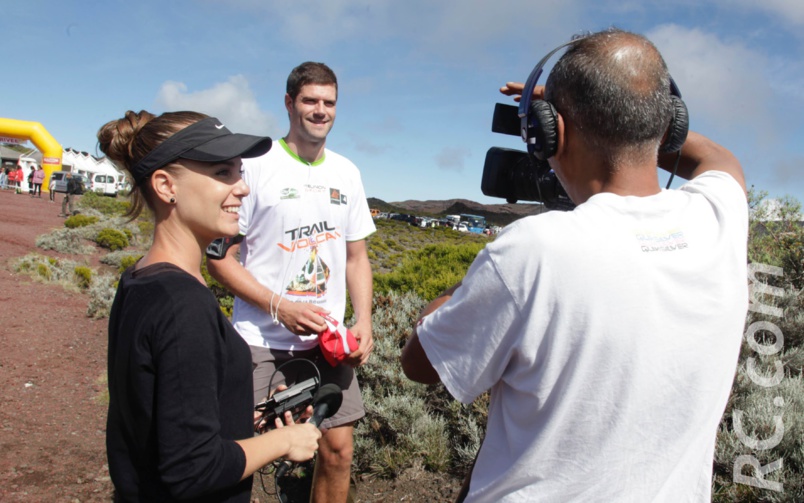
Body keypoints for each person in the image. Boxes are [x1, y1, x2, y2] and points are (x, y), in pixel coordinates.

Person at [401, 28, 748, 502]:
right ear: (667, 125)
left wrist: (457, 295)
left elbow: (419, 365)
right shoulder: (719, 217)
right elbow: (716, 156)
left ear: (549, 132)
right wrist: (621, 110)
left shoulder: (532, 251)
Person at [98, 110, 322, 502]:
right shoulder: (183, 305)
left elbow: (158, 411)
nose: (243, 188)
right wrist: (286, 440)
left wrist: (238, 415)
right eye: (222, 172)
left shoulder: (141, 278)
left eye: (239, 172)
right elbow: (192, 469)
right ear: (166, 186)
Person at [207, 61, 376, 503]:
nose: (320, 111)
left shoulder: (347, 173)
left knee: (337, 451)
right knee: (243, 452)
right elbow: (219, 258)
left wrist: (364, 321)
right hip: (261, 341)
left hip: (328, 343)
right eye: (310, 100)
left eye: (329, 102)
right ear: (289, 103)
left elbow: (357, 257)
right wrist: (279, 307)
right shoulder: (254, 167)